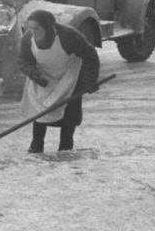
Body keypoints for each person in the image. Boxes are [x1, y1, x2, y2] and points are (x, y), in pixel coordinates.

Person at [17, 9, 99, 153]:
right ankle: (36, 147)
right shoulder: (28, 39)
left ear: (49, 28)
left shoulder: (68, 36)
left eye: (37, 28)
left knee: (69, 116)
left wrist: (89, 80)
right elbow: (24, 61)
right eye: (31, 28)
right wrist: (35, 74)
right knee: (40, 113)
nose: (33, 32)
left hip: (69, 77)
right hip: (43, 77)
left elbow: (90, 55)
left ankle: (65, 149)